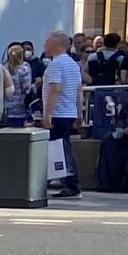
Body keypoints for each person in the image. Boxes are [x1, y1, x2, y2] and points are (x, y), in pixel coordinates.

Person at [41, 29, 85, 198]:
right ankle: (64, 180)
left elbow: (55, 89)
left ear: (56, 44)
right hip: (69, 112)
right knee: (62, 147)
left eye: (48, 41)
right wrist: (79, 113)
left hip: (58, 112)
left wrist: (47, 114)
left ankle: (71, 184)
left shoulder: (56, 64)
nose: (45, 44)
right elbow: (79, 90)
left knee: (60, 149)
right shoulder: (73, 64)